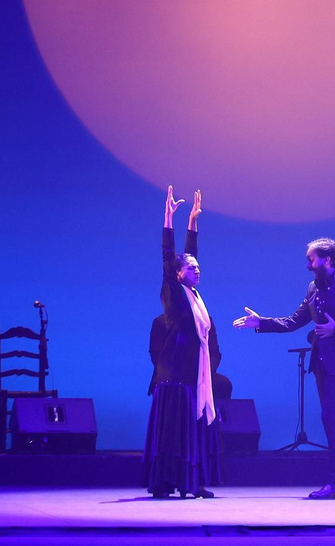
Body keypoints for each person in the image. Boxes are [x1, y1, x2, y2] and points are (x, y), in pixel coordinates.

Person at [234, 237, 335, 499]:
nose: (308, 264)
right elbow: (294, 321)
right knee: (332, 419)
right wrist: (260, 322)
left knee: (329, 416)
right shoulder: (314, 287)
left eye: (312, 259)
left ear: (328, 259)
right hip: (322, 361)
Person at [142, 187, 222, 499]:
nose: (197, 270)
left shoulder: (195, 296)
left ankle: (192, 481)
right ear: (178, 275)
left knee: (193, 427)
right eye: (191, 268)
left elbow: (190, 255)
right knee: (175, 431)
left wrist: (193, 222)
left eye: (198, 268)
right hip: (175, 376)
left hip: (192, 372)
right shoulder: (175, 295)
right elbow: (168, 259)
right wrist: (169, 219)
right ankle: (165, 482)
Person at [151, 313, 232, 403]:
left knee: (223, 384)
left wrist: (204, 375)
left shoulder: (205, 321)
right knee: (176, 387)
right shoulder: (161, 322)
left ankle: (214, 416)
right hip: (171, 376)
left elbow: (214, 352)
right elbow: (157, 356)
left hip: (201, 374)